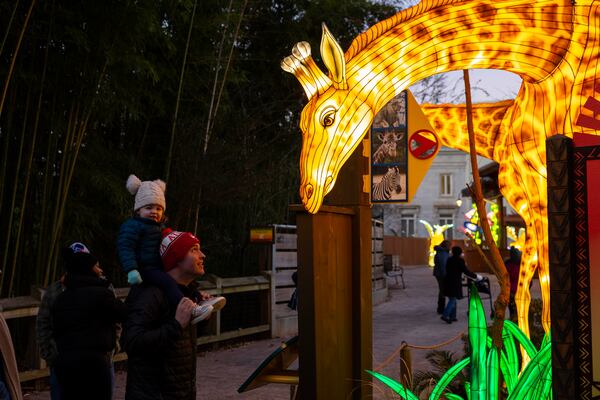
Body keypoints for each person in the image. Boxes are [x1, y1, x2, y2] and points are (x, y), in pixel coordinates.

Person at [122, 230, 214, 400]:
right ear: (176, 257)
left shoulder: (188, 293)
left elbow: (182, 342)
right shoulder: (150, 294)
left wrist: (201, 320)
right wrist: (176, 325)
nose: (202, 255)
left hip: (180, 392)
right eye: (194, 250)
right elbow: (132, 342)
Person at [118, 174, 214, 324]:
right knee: (169, 283)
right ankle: (190, 309)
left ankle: (199, 299)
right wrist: (131, 269)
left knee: (179, 281)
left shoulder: (156, 228)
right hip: (144, 268)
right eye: (148, 208)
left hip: (156, 266)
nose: (154, 212)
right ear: (138, 210)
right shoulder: (133, 226)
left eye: (158, 208)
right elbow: (125, 247)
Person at [52, 243, 127, 400]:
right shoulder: (103, 295)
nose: (100, 270)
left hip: (66, 363)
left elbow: (54, 328)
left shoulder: (61, 298)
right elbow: (124, 313)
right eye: (97, 266)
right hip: (95, 363)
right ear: (88, 269)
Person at [36, 275, 65, 400]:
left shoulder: (102, 286)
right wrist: (49, 354)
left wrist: (110, 350)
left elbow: (115, 323)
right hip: (60, 358)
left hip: (97, 359)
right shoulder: (55, 290)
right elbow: (43, 322)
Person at [441, 246, 479, 324]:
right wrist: (475, 276)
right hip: (454, 282)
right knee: (452, 299)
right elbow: (465, 271)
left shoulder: (449, 260)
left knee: (453, 298)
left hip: (447, 281)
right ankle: (445, 315)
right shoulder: (460, 261)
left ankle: (453, 316)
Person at [433, 240, 450, 314]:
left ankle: (440, 308)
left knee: (442, 290)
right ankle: (441, 309)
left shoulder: (440, 252)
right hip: (441, 274)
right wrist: (445, 275)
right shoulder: (443, 253)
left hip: (438, 273)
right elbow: (443, 265)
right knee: (442, 290)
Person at [504, 246, 522, 320]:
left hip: (511, 291)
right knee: (518, 311)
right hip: (518, 291)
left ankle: (513, 320)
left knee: (512, 310)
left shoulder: (507, 265)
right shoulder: (521, 266)